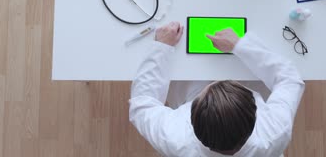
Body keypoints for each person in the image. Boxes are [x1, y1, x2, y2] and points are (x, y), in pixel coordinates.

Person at [129, 21, 305, 157]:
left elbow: (143, 104)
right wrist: (240, 46)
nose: (214, 82)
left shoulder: (175, 137)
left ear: (192, 118)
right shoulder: (274, 132)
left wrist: (161, 47)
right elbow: (289, 78)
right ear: (255, 112)